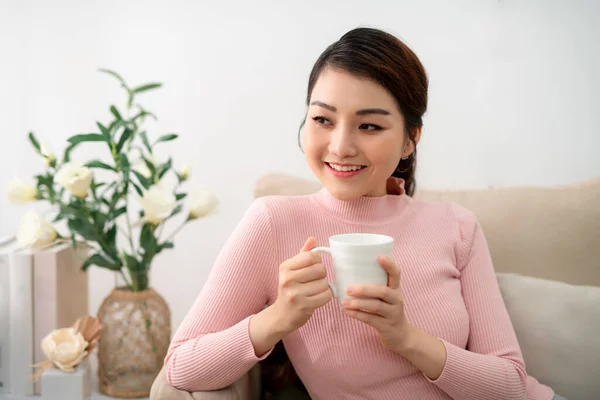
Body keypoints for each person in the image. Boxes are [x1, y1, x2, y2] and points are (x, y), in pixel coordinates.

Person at [163, 27, 566, 400]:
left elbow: (512, 385)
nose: (340, 146)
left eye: (369, 126)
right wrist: (278, 318)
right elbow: (181, 368)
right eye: (323, 119)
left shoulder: (457, 227)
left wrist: (404, 337)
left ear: (411, 139)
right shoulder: (273, 223)